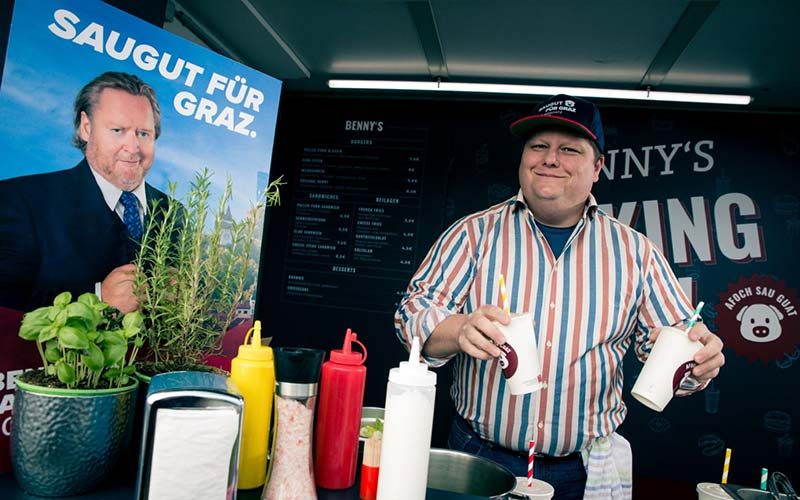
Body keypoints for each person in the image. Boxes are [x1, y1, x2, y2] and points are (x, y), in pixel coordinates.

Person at [394, 94, 725, 500]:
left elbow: (678, 349)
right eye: (538, 146)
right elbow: (413, 313)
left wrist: (699, 360)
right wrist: (460, 329)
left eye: (569, 149)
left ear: (597, 166)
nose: (550, 159)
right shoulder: (473, 234)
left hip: (580, 473)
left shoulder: (636, 252)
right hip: (479, 457)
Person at [0, 71, 168, 313]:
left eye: (143, 134)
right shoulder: (20, 200)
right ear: (86, 128)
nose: (133, 148)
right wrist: (96, 300)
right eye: (118, 130)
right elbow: (6, 309)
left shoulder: (173, 212)